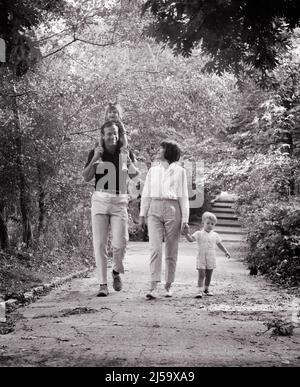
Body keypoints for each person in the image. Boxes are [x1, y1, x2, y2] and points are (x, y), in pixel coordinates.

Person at [83, 121, 139, 297]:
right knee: (99, 244)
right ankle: (102, 284)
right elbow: (86, 177)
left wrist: (128, 161)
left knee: (121, 243)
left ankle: (116, 271)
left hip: (119, 201)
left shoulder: (125, 152)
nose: (112, 137)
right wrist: (94, 159)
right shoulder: (96, 151)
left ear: (119, 134)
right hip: (100, 200)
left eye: (115, 133)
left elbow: (135, 175)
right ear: (102, 135)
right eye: (108, 134)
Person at [139, 140, 189, 299]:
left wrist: (185, 219)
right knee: (155, 248)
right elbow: (146, 193)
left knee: (171, 249)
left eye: (161, 148)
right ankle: (153, 285)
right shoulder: (153, 170)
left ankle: (168, 285)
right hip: (154, 208)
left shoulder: (180, 171)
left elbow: (184, 197)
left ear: (168, 152)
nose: (158, 150)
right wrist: (142, 214)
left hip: (173, 209)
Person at [183, 211, 231, 298]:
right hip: (201, 258)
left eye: (212, 224)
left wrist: (226, 252)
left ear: (214, 225)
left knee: (209, 275)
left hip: (211, 258)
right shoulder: (199, 233)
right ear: (203, 223)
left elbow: (219, 244)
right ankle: (199, 291)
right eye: (208, 223)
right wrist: (186, 234)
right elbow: (191, 240)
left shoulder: (215, 235)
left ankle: (206, 289)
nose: (210, 225)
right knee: (201, 274)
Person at [104, 102, 129, 171]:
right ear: (106, 115)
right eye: (110, 112)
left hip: (119, 142)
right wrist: (100, 145)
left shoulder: (120, 124)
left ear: (118, 115)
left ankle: (124, 164)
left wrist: (124, 146)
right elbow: (101, 136)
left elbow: (124, 136)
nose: (112, 114)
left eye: (115, 112)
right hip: (108, 143)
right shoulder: (105, 125)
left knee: (124, 150)